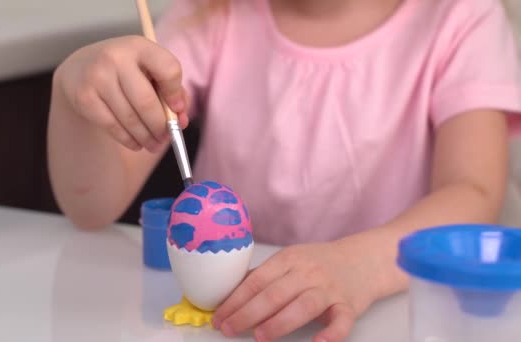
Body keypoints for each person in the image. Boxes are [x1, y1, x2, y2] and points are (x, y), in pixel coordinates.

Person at [47, 0, 521, 340]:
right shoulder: (212, 13)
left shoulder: (463, 17)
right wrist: (72, 98)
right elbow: (90, 207)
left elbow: (474, 193)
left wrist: (365, 265)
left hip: (394, 317)